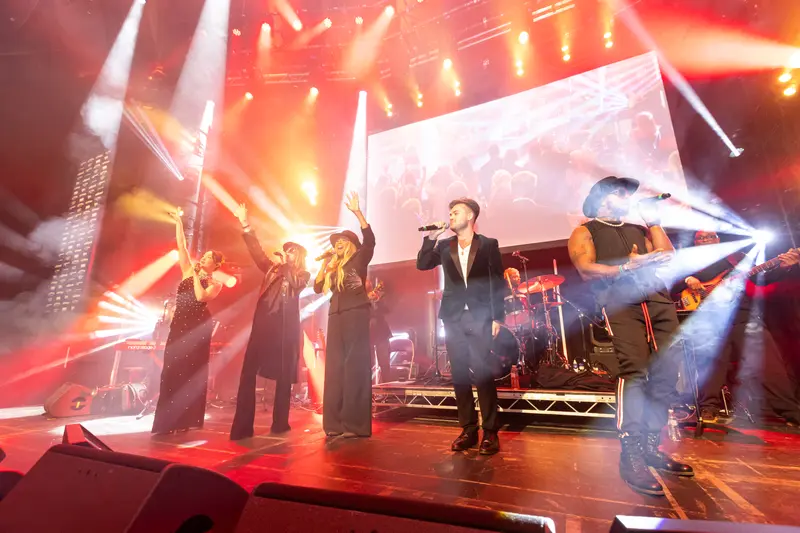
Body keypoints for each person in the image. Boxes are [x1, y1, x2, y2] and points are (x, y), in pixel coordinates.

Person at [567, 176, 692, 496]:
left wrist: (654, 222)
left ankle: (652, 446)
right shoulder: (585, 230)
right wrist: (627, 267)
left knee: (667, 371)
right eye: (619, 192)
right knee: (634, 370)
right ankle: (631, 452)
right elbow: (586, 268)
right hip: (621, 303)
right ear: (601, 198)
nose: (625, 197)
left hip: (657, 300)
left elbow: (666, 254)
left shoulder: (639, 229)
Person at [672, 231, 800, 425]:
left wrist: (783, 268)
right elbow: (672, 284)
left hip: (742, 315)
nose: (707, 240)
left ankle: (790, 411)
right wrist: (688, 279)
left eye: (711, 236)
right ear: (696, 242)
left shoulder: (736, 257)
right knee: (713, 365)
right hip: (710, 319)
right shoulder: (689, 261)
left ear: (718, 239)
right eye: (702, 238)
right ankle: (708, 408)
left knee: (769, 364)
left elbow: (760, 277)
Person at [416, 197, 506, 455]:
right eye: (450, 212)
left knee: (482, 373)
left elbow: (497, 282)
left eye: (455, 212)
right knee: (459, 375)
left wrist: (498, 317)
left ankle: (489, 431)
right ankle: (468, 429)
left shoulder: (488, 244)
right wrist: (430, 237)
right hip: (454, 317)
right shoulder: (444, 245)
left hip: (480, 316)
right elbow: (422, 264)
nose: (451, 216)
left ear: (470, 216)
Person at [229, 204, 310, 440]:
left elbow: (296, 285)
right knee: (248, 372)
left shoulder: (302, 274)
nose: (288, 253)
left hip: (285, 331)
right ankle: (242, 427)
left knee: (283, 377)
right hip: (263, 325)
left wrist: (286, 264)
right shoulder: (272, 269)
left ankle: (280, 424)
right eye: (287, 250)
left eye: (292, 251)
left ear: (300, 256)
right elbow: (257, 252)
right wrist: (246, 224)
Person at [152, 212, 224, 435]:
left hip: (197, 327)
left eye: (209, 257)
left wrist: (194, 275)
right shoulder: (187, 270)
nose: (203, 258)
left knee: (189, 372)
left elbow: (201, 297)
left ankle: (185, 420)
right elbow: (182, 246)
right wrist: (179, 223)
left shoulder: (215, 283)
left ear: (216, 264)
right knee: (172, 370)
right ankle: (167, 421)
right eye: (204, 255)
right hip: (179, 324)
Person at [314, 192, 375, 438]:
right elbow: (318, 287)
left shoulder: (359, 259)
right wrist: (325, 265)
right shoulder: (334, 266)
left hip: (356, 313)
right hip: (336, 314)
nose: (336, 244)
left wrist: (358, 213)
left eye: (341, 241)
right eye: (334, 242)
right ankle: (334, 424)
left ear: (350, 244)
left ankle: (355, 425)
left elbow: (369, 240)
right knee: (336, 368)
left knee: (354, 367)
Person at [366, 278, 394, 383]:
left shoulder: (379, 296)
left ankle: (388, 391)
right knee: (368, 364)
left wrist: (378, 300)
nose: (367, 282)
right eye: (365, 281)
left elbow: (388, 309)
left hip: (381, 334)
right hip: (367, 334)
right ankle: (369, 391)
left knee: (384, 363)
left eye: (368, 281)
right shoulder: (358, 298)